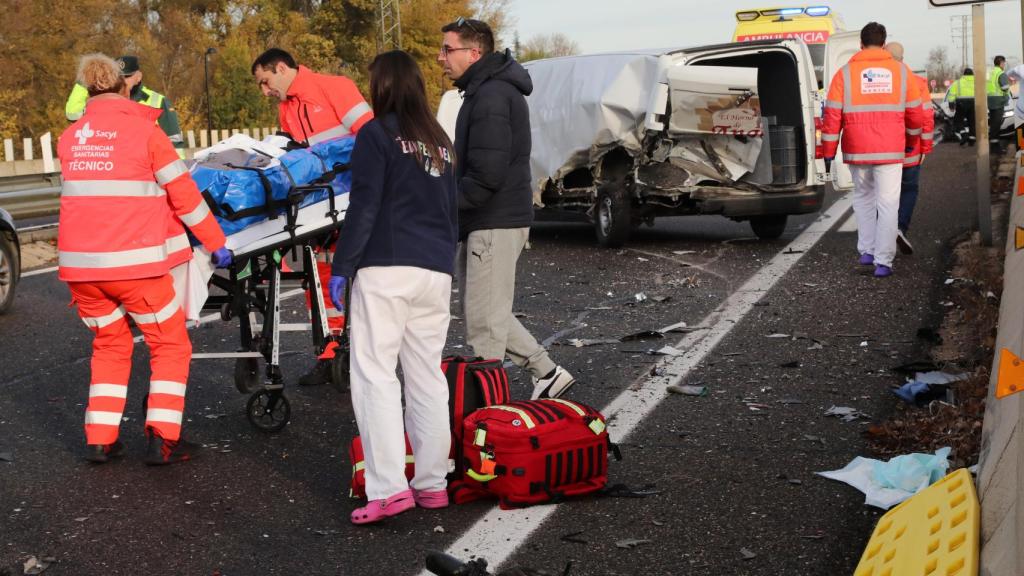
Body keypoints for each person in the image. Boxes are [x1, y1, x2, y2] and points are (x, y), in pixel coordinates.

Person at [58, 53, 233, 465]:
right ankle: (163, 437)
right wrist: (216, 242)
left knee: (110, 343)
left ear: (87, 92)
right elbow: (185, 196)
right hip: (135, 267)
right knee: (169, 344)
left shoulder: (72, 137)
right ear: (125, 87)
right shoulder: (145, 131)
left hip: (81, 270)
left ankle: (100, 439)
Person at [327, 50, 458, 524]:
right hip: (435, 270)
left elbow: (364, 206)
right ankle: (432, 483)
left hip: (385, 267)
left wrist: (342, 267)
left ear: (381, 86)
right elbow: (451, 211)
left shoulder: (377, 134)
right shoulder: (440, 140)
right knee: (426, 376)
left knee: (375, 375)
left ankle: (387, 489)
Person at [438, 17, 576, 399]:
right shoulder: (483, 91)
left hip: (493, 220)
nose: (440, 58)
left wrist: (444, 207)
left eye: (447, 49)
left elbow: (487, 173)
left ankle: (486, 417)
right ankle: (546, 373)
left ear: (474, 51)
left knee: (484, 323)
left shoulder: (492, 96)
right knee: (485, 311)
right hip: (488, 218)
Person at [251, 48, 374, 387]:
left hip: (352, 195)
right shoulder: (286, 107)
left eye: (265, 81)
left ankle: (365, 355)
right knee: (318, 276)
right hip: (318, 203)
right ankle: (330, 351)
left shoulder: (335, 87)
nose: (265, 91)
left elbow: (370, 137)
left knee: (360, 277)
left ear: (281, 68)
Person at [822, 22, 923, 278]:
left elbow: (832, 115)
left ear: (861, 44)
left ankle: (866, 250)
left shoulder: (844, 73)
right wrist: (911, 140)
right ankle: (883, 261)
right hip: (890, 149)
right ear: (884, 42)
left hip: (858, 149)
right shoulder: (901, 72)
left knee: (864, 198)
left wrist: (828, 150)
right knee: (888, 203)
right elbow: (915, 112)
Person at [65, 55, 187, 159]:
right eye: (119, 76)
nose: (123, 81)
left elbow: (173, 141)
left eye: (127, 76)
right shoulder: (105, 100)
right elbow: (73, 114)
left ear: (138, 76)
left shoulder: (158, 101)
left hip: (151, 170)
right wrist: (85, 80)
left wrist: (179, 171)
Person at [884, 42, 934, 256]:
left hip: (884, 148)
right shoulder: (917, 82)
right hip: (910, 148)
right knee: (909, 188)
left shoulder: (881, 81)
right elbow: (927, 117)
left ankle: (882, 233)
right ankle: (900, 227)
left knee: (884, 192)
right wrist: (925, 147)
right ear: (903, 57)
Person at [946, 68, 976, 145]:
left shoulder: (958, 82)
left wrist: (951, 105)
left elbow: (952, 94)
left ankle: (964, 134)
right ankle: (972, 140)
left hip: (961, 104)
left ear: (964, 74)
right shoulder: (976, 82)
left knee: (958, 121)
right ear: (972, 74)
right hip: (974, 103)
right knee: (972, 122)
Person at [986, 55, 1011, 153]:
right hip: (999, 101)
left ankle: (993, 145)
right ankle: (995, 148)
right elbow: (1005, 87)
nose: (1004, 65)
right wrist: (1006, 96)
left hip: (990, 101)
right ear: (1001, 63)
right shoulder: (1001, 73)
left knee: (993, 124)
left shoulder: (990, 73)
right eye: (1004, 63)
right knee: (996, 125)